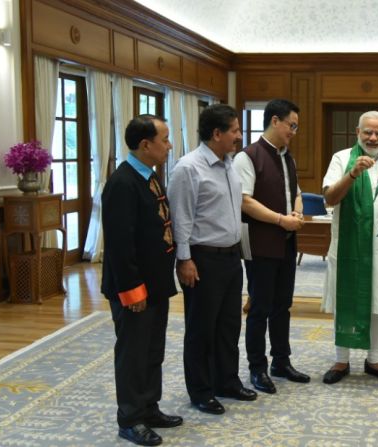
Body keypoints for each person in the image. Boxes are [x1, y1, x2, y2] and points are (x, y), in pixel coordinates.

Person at [167, 104, 257, 416]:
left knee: (229, 326)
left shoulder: (229, 163)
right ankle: (201, 391)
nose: (239, 136)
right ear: (216, 133)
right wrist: (184, 260)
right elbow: (181, 219)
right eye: (234, 130)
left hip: (232, 257)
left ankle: (227, 381)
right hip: (202, 259)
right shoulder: (188, 168)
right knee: (202, 329)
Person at [101, 114, 182, 446]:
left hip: (156, 283)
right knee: (133, 354)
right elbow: (120, 245)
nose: (169, 145)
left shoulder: (149, 176)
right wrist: (133, 292)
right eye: (164, 139)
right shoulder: (122, 183)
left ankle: (149, 406)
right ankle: (130, 418)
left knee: (152, 350)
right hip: (133, 288)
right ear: (145, 145)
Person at [320, 110, 378, 385]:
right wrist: (353, 173)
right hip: (349, 248)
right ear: (358, 132)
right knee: (345, 297)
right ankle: (341, 359)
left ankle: (375, 359)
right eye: (368, 131)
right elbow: (330, 197)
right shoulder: (342, 158)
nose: (373, 137)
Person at [233, 98, 309, 394]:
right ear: (274, 121)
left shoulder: (286, 156)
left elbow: (297, 192)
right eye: (292, 125)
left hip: (286, 243)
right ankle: (257, 368)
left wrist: (298, 213)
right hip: (260, 244)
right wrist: (281, 220)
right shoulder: (248, 157)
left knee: (282, 305)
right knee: (260, 307)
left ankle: (281, 361)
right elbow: (244, 201)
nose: (294, 131)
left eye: (296, 127)